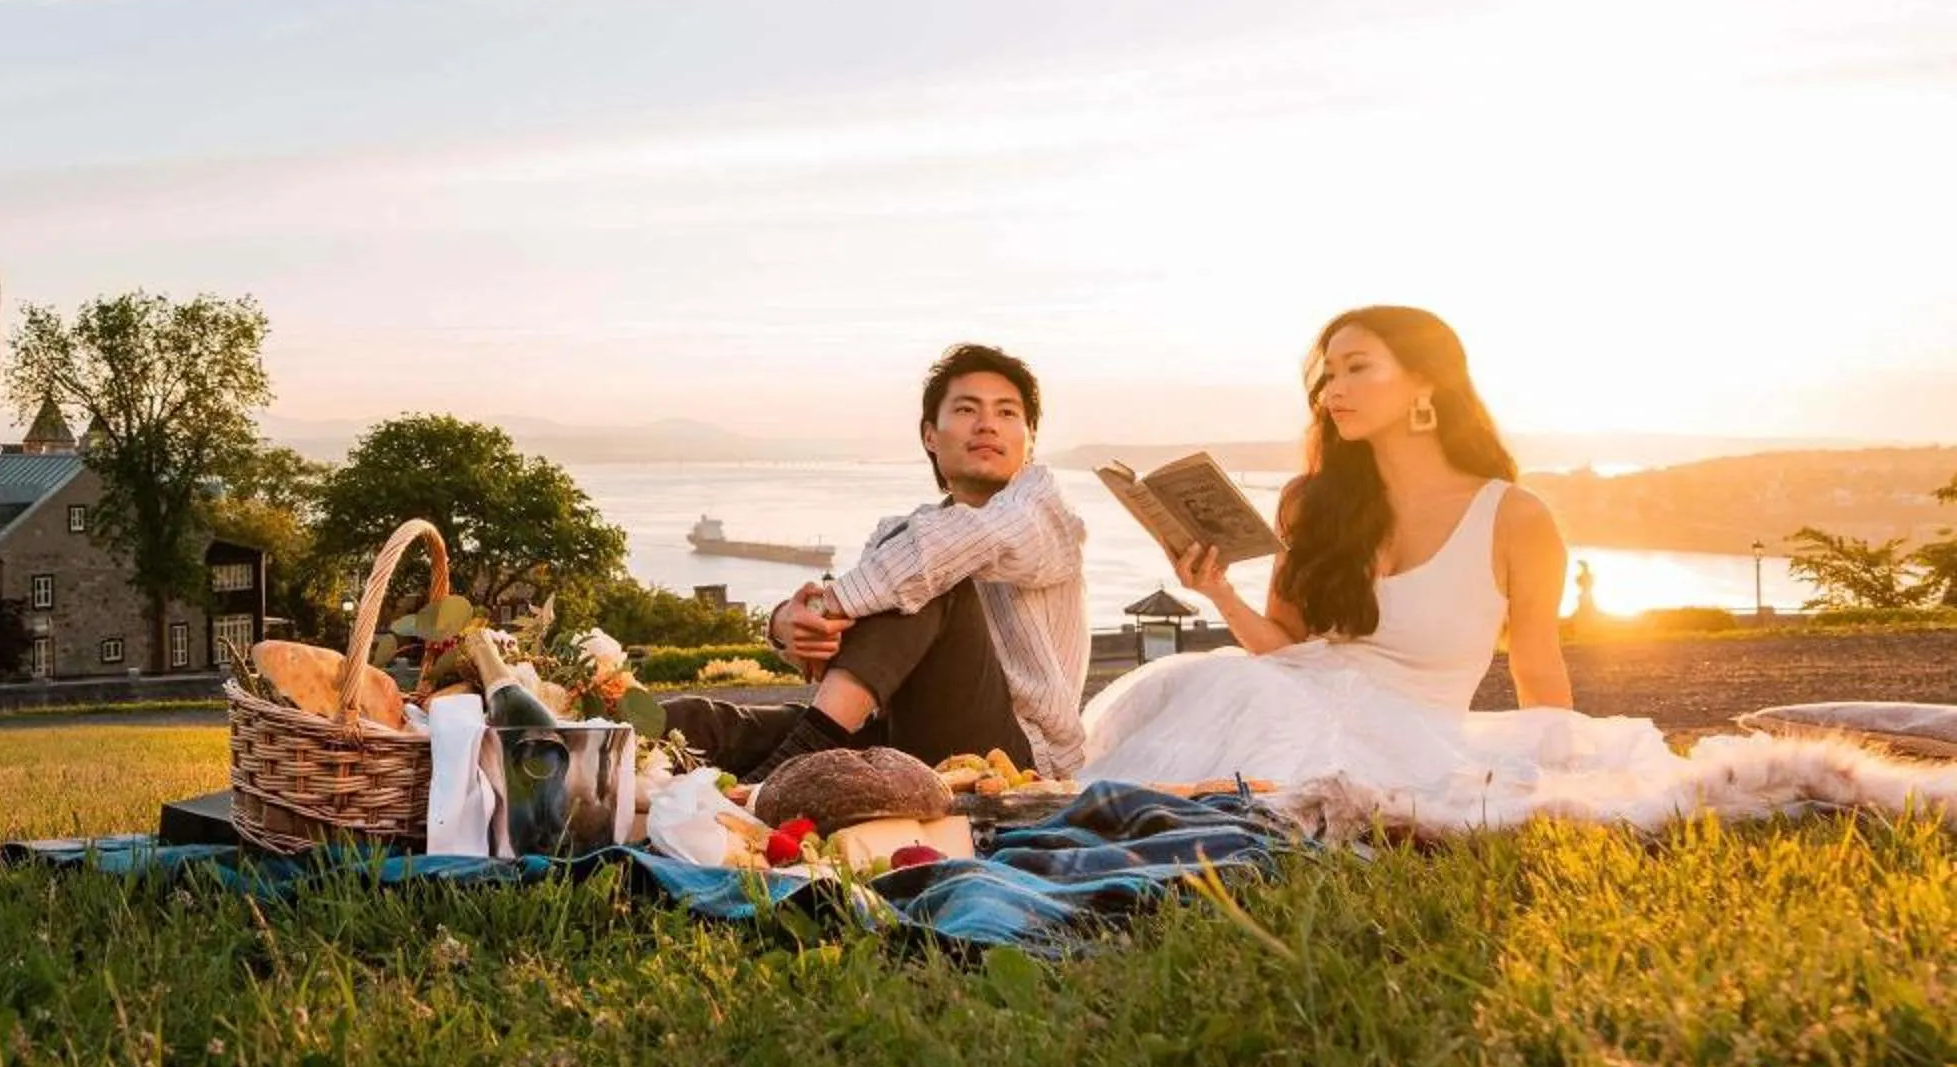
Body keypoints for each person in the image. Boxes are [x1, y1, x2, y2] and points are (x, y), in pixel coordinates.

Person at [1081, 305, 1667, 796]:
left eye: (1357, 369)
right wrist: (1219, 593)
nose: (1335, 390)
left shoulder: (1514, 516)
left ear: (1425, 381)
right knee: (1222, 690)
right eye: (1329, 375)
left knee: (1269, 752)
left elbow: (1536, 666)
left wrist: (1563, 781)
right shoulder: (1311, 502)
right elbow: (1282, 649)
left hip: (1413, 739)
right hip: (1290, 698)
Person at [664, 341, 1089, 779]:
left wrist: (829, 604)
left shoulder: (1045, 513)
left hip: (1018, 757)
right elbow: (854, 652)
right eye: (966, 410)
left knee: (931, 579)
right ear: (930, 434)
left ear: (1030, 437)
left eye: (1006, 412)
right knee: (694, 723)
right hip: (900, 732)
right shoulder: (904, 533)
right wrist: (786, 624)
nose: (986, 425)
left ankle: (783, 774)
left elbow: (939, 554)